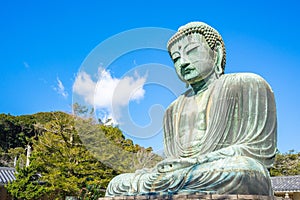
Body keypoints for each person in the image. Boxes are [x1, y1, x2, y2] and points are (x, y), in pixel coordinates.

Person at [105, 22, 277, 196]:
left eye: (191, 51)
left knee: (244, 171)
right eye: (176, 59)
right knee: (117, 184)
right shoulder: (173, 109)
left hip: (222, 168)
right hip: (185, 173)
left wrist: (202, 160)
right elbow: (173, 160)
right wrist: (171, 168)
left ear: (216, 53)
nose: (183, 63)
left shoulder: (248, 84)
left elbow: (260, 151)